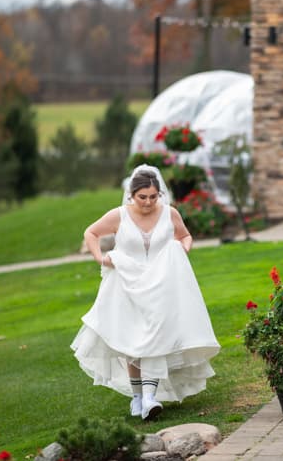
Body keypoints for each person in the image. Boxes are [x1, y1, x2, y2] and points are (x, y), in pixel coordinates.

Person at [71, 164, 220, 420]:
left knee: (156, 337)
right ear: (132, 194)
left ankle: (150, 398)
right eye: (143, 197)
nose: (148, 202)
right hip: (128, 284)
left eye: (153, 196)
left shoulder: (169, 214)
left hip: (162, 285)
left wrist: (180, 252)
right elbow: (91, 233)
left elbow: (185, 236)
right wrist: (101, 258)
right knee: (133, 342)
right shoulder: (119, 215)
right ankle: (138, 397)